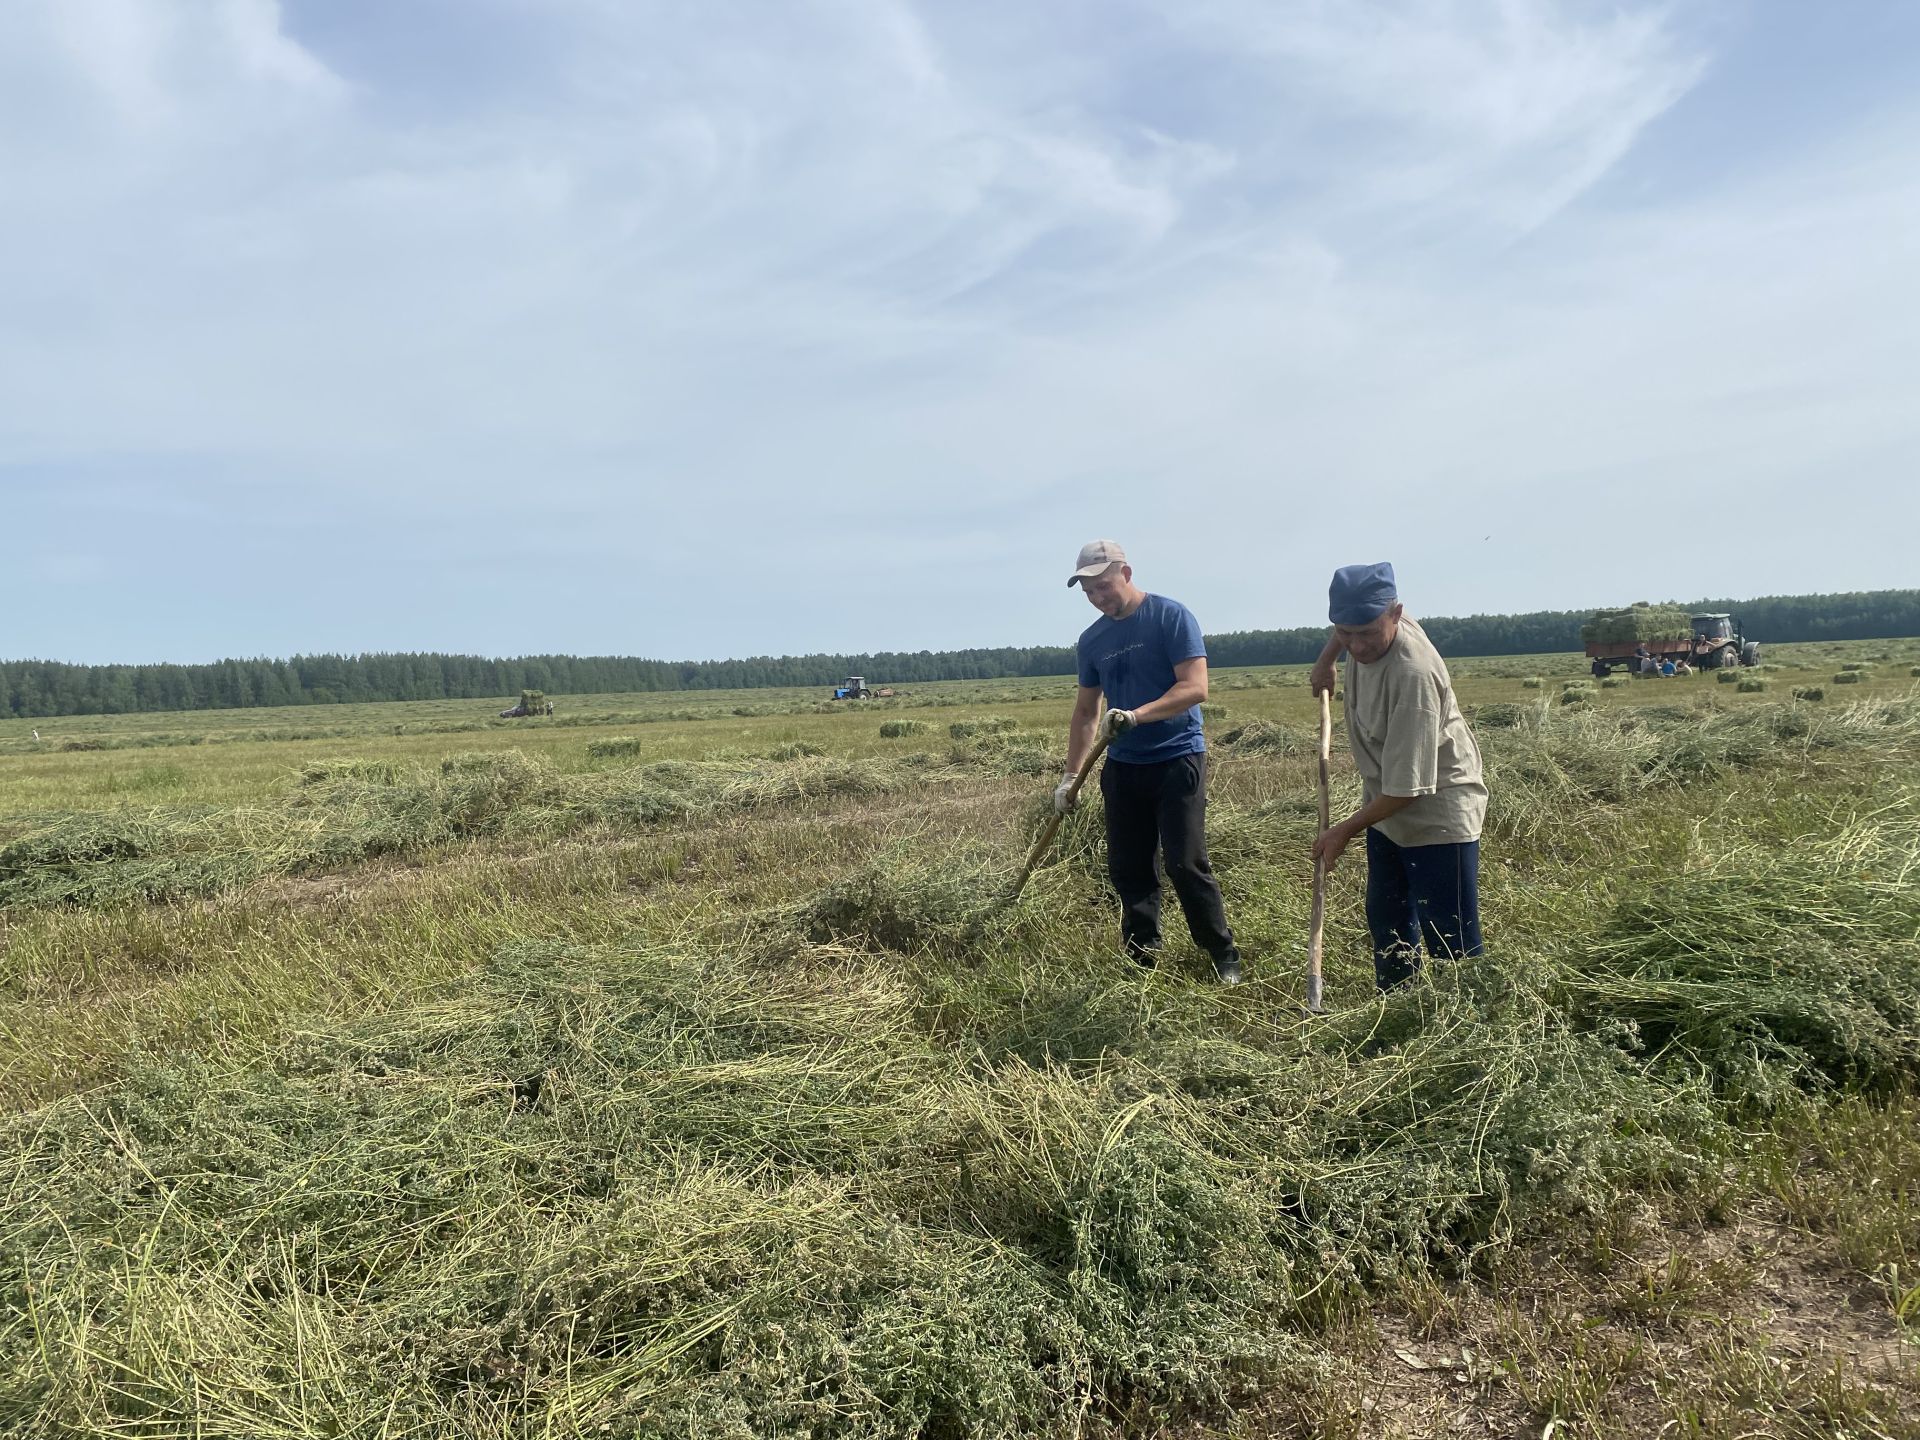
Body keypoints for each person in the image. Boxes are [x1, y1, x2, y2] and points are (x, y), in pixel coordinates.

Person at [1056, 540, 1244, 985]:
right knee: (1129, 866)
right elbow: (1086, 712)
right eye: (1089, 593)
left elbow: (1195, 688)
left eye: (1103, 587)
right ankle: (1142, 956)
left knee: (1185, 862)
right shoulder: (1092, 640)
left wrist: (1137, 715)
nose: (1098, 598)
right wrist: (1068, 777)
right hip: (1122, 766)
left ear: (1126, 573)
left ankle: (1223, 954)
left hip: (1177, 757)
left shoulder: (1170, 617)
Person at [1308, 563, 1487, 990]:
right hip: (1386, 807)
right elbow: (1347, 628)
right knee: (1387, 918)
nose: (1357, 645)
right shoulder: (1359, 630)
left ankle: (1470, 1022)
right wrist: (1326, 660)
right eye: (1345, 633)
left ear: (1395, 613)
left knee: (1450, 934)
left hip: (1436, 813)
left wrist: (1343, 831)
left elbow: (1407, 789)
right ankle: (1398, 1006)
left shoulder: (1414, 676)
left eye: (1367, 633)